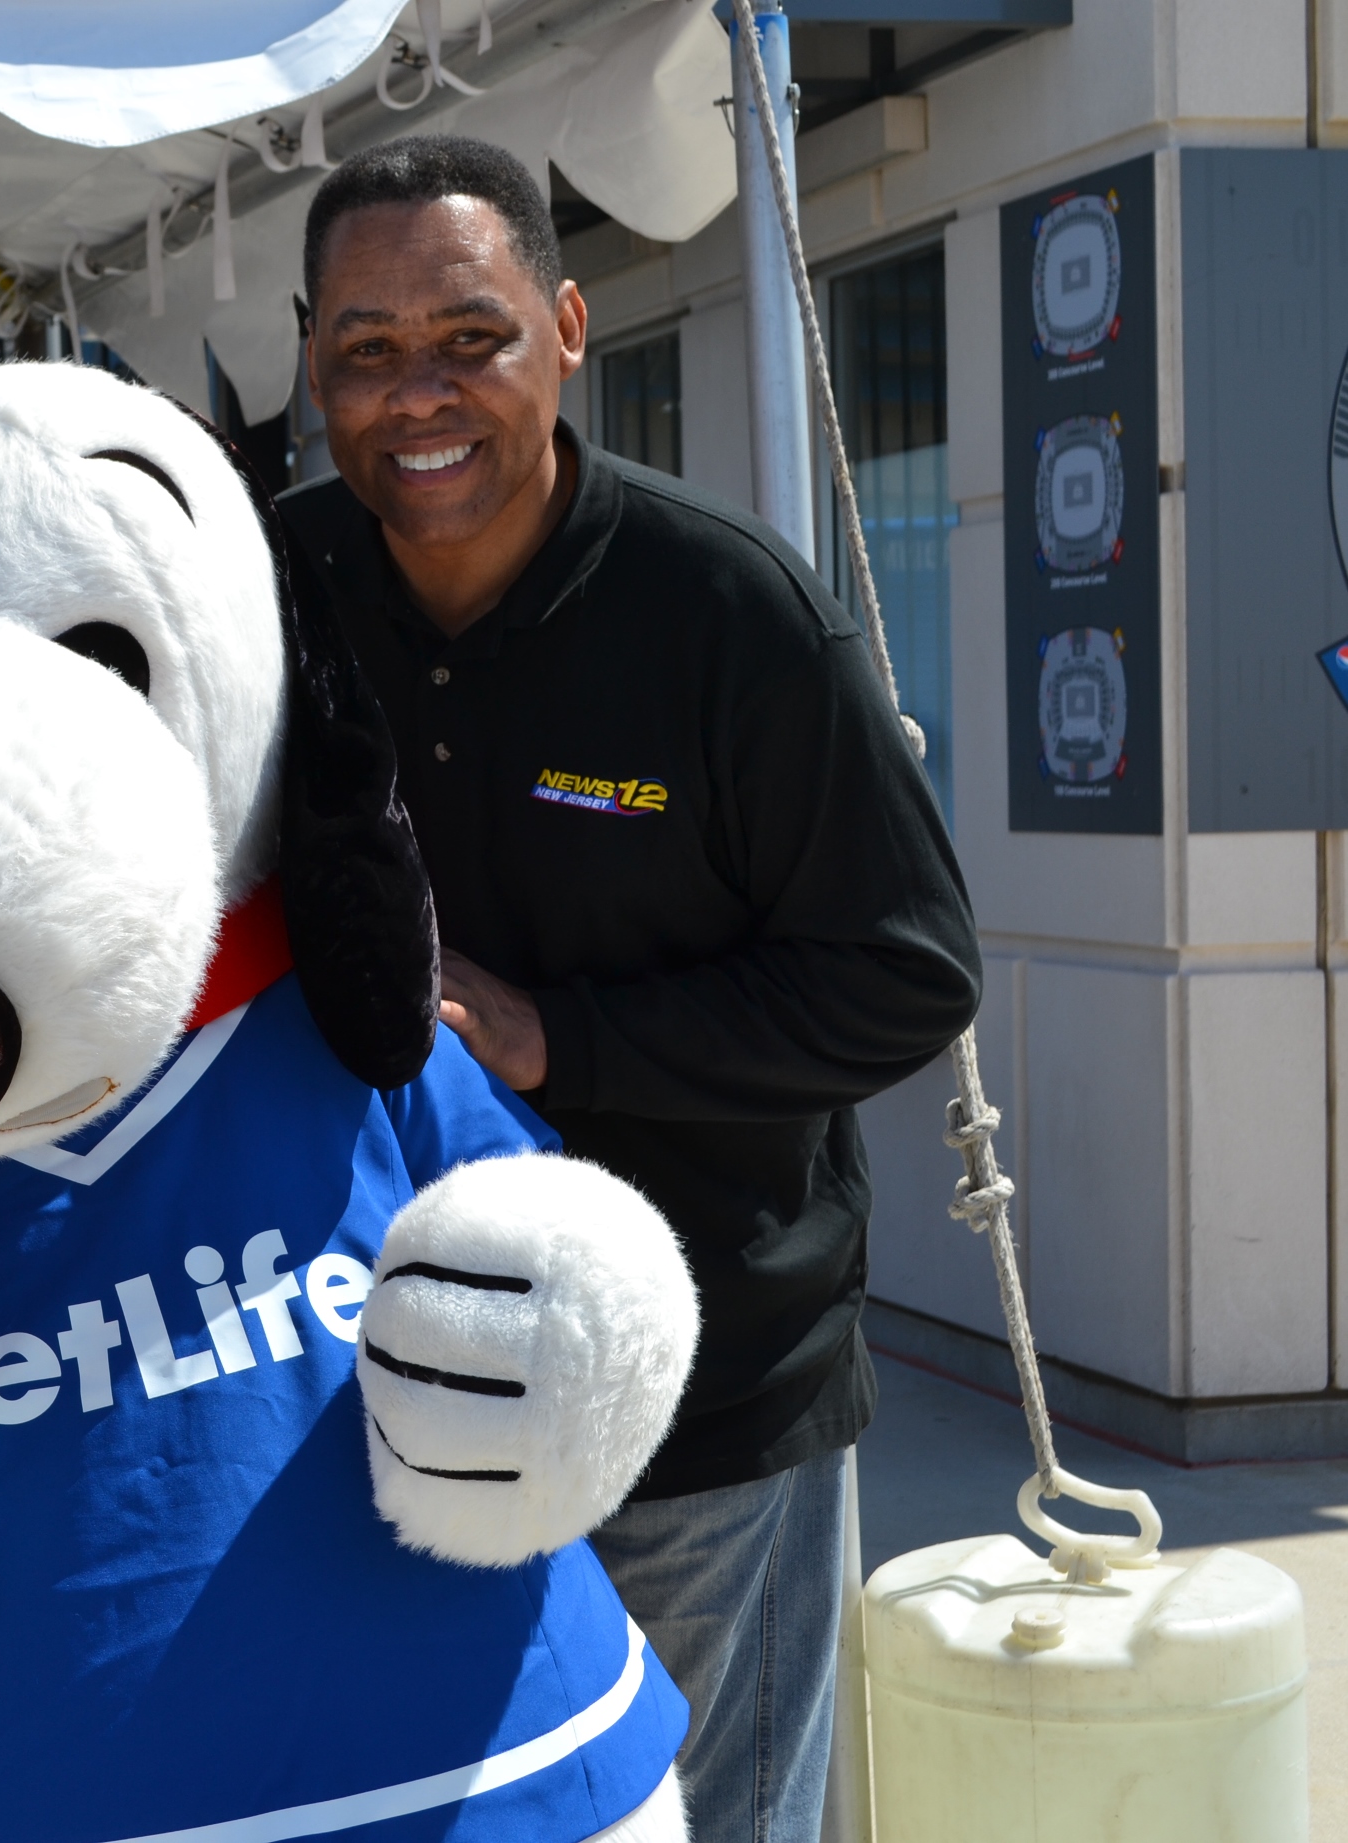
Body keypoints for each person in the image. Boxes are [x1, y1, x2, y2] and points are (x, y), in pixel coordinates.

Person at [279, 136, 982, 1842]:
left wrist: (557, 1035)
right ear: (311, 361)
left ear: (570, 326)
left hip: (706, 1403)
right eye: (366, 350)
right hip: (379, 1396)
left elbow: (906, 973)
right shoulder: (269, 589)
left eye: (470, 335)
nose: (417, 393)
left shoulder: (724, 609)